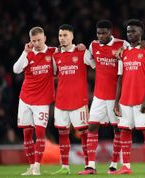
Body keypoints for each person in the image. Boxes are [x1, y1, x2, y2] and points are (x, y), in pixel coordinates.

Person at [78, 19, 130, 175]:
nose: (100, 36)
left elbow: (135, 51)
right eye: (98, 33)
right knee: (92, 126)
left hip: (116, 97)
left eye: (104, 33)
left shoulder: (122, 44)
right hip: (99, 96)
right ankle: (91, 166)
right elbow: (91, 62)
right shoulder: (93, 46)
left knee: (117, 130)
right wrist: (83, 50)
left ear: (110, 32)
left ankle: (114, 164)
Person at [113, 19, 145, 174]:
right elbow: (119, 78)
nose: (131, 34)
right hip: (125, 100)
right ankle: (126, 166)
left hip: (141, 100)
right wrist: (116, 101)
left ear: (141, 33)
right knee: (125, 131)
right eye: (128, 31)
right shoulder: (123, 53)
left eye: (134, 31)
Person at [53, 24, 95, 175]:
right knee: (62, 134)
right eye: (60, 36)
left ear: (72, 36)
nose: (62, 38)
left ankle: (88, 165)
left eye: (65, 35)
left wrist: (87, 50)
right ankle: (65, 166)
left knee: (84, 134)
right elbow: (52, 73)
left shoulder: (81, 52)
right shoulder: (55, 55)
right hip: (61, 101)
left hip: (79, 101)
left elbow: (95, 65)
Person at [13, 26, 56, 176]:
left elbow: (68, 54)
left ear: (44, 38)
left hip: (42, 101)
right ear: (30, 41)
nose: (37, 43)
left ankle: (37, 166)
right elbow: (16, 69)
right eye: (33, 40)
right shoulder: (28, 54)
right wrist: (25, 52)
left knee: (40, 133)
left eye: (39, 40)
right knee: (27, 134)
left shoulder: (53, 52)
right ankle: (31, 166)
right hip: (25, 99)